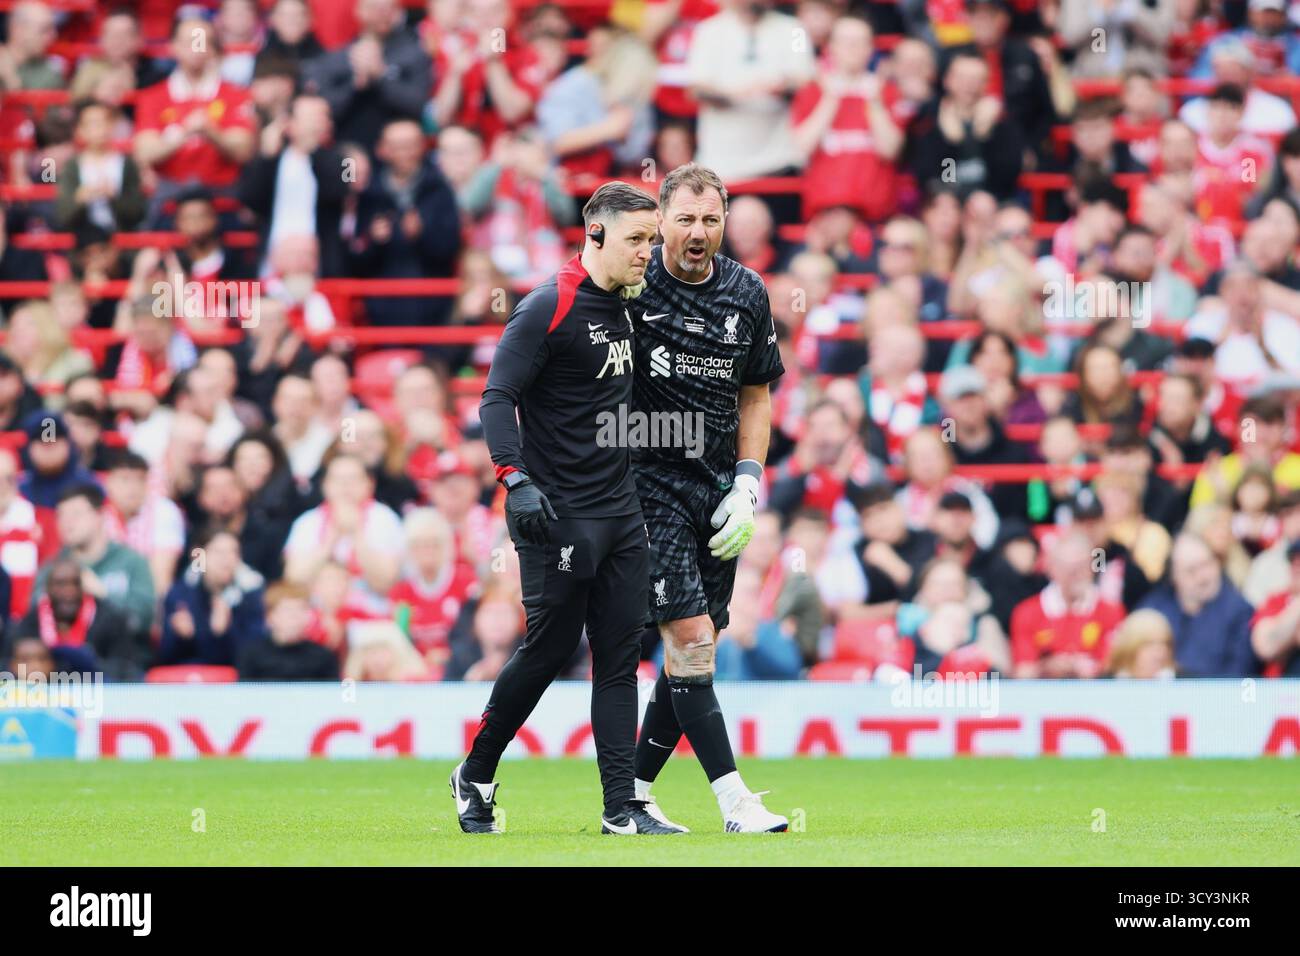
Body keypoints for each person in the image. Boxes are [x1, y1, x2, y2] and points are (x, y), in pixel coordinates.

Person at [453, 182, 677, 836]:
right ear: (596, 234)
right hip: (556, 516)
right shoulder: (547, 307)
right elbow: (497, 399)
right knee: (548, 652)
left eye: (652, 240)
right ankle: (476, 771)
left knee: (619, 659)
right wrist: (513, 477)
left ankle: (621, 810)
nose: (647, 252)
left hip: (620, 512)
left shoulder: (631, 308)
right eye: (637, 239)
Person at [627, 163, 789, 834]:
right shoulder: (629, 287)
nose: (699, 233)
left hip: (717, 488)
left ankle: (632, 794)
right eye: (686, 219)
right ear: (660, 219)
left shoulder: (747, 292)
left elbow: (756, 393)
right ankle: (733, 800)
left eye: (712, 220)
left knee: (700, 642)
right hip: (646, 481)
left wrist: (749, 483)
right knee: (690, 634)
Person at [1138, 533, 1258, 677]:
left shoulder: (1240, 612)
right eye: (1191, 570)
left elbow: (1238, 675)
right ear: (1174, 576)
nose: (1202, 577)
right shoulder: (1155, 609)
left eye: (1206, 565)